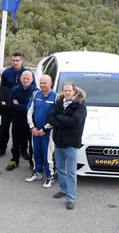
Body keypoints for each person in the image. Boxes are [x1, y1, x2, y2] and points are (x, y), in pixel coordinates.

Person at [46, 82, 86, 210]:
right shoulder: (58, 103)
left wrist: (59, 118)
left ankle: (71, 198)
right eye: (65, 90)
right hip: (58, 142)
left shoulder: (80, 106)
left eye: (69, 90)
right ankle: (63, 190)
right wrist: (63, 120)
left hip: (71, 144)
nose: (67, 93)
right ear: (62, 91)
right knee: (61, 169)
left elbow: (74, 122)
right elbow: (51, 118)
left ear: (74, 91)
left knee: (71, 172)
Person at [0, 52, 35, 156]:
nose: (15, 62)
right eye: (13, 60)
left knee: (23, 129)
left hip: (23, 107)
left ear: (22, 61)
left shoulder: (27, 73)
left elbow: (34, 91)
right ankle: (2, 147)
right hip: (8, 106)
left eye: (17, 60)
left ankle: (23, 150)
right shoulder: (6, 72)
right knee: (4, 128)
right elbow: (2, 88)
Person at [26, 75, 58, 187]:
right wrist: (32, 127)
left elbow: (56, 117)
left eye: (45, 83)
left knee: (47, 155)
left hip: (47, 132)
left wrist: (45, 129)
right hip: (35, 131)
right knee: (36, 152)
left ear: (51, 84)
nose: (42, 85)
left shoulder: (56, 97)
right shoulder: (36, 94)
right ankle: (37, 172)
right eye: (41, 83)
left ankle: (50, 177)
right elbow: (29, 110)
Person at [6, 71, 37, 171]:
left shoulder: (36, 91)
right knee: (15, 143)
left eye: (28, 78)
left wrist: (21, 106)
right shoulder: (14, 90)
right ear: (20, 79)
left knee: (31, 144)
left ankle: (32, 163)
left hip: (30, 123)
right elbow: (13, 106)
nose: (26, 80)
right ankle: (15, 160)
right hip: (17, 121)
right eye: (24, 78)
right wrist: (27, 106)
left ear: (32, 80)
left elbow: (33, 108)